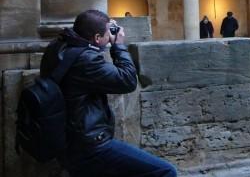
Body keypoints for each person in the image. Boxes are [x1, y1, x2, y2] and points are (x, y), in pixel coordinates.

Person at [40, 9, 177, 177]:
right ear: (97, 38)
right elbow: (127, 81)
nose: (110, 36)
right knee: (166, 171)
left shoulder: (58, 47)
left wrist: (102, 30)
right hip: (89, 147)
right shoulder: (86, 60)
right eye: (107, 33)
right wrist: (118, 45)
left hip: (67, 141)